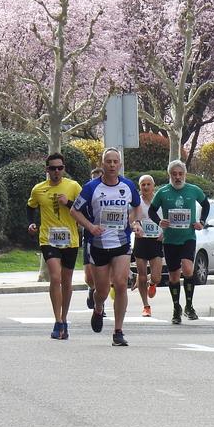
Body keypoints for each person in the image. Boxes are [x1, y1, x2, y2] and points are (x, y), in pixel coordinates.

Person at [71, 147, 142, 346]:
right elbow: (74, 211)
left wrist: (133, 221)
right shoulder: (91, 187)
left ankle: (118, 331)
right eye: (108, 161)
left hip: (121, 242)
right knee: (101, 291)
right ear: (102, 164)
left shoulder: (128, 186)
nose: (112, 165)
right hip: (98, 244)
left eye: (115, 162)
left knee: (120, 284)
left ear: (120, 164)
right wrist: (90, 227)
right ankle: (99, 307)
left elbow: (136, 206)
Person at [149, 160, 211, 324]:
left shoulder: (193, 190)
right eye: (174, 174)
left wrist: (202, 222)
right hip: (170, 240)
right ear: (169, 175)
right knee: (174, 276)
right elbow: (151, 210)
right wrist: (159, 221)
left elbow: (206, 204)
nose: (177, 177)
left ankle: (189, 306)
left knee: (188, 269)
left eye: (180, 174)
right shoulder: (163, 192)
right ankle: (177, 308)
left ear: (185, 174)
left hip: (188, 237)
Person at [27, 153, 82, 339]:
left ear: (63, 169)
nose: (56, 171)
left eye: (60, 168)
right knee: (55, 277)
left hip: (70, 240)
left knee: (66, 281)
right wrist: (31, 223)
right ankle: (57, 320)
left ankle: (64, 318)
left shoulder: (73, 187)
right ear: (47, 170)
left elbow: (84, 209)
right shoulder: (38, 189)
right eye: (52, 168)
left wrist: (68, 203)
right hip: (48, 239)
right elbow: (31, 207)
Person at [132, 174, 164, 318]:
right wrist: (135, 227)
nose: (145, 187)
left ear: (153, 186)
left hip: (156, 240)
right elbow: (131, 220)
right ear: (140, 187)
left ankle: (153, 284)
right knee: (142, 274)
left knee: (157, 277)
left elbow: (166, 219)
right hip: (141, 240)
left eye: (148, 184)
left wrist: (165, 232)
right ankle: (146, 306)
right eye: (143, 184)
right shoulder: (136, 202)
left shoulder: (160, 201)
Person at [83, 166, 103, 311]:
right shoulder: (87, 192)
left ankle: (100, 306)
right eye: (93, 178)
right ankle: (92, 289)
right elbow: (75, 211)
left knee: (103, 277)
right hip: (90, 238)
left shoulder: (112, 193)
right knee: (90, 277)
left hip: (108, 239)